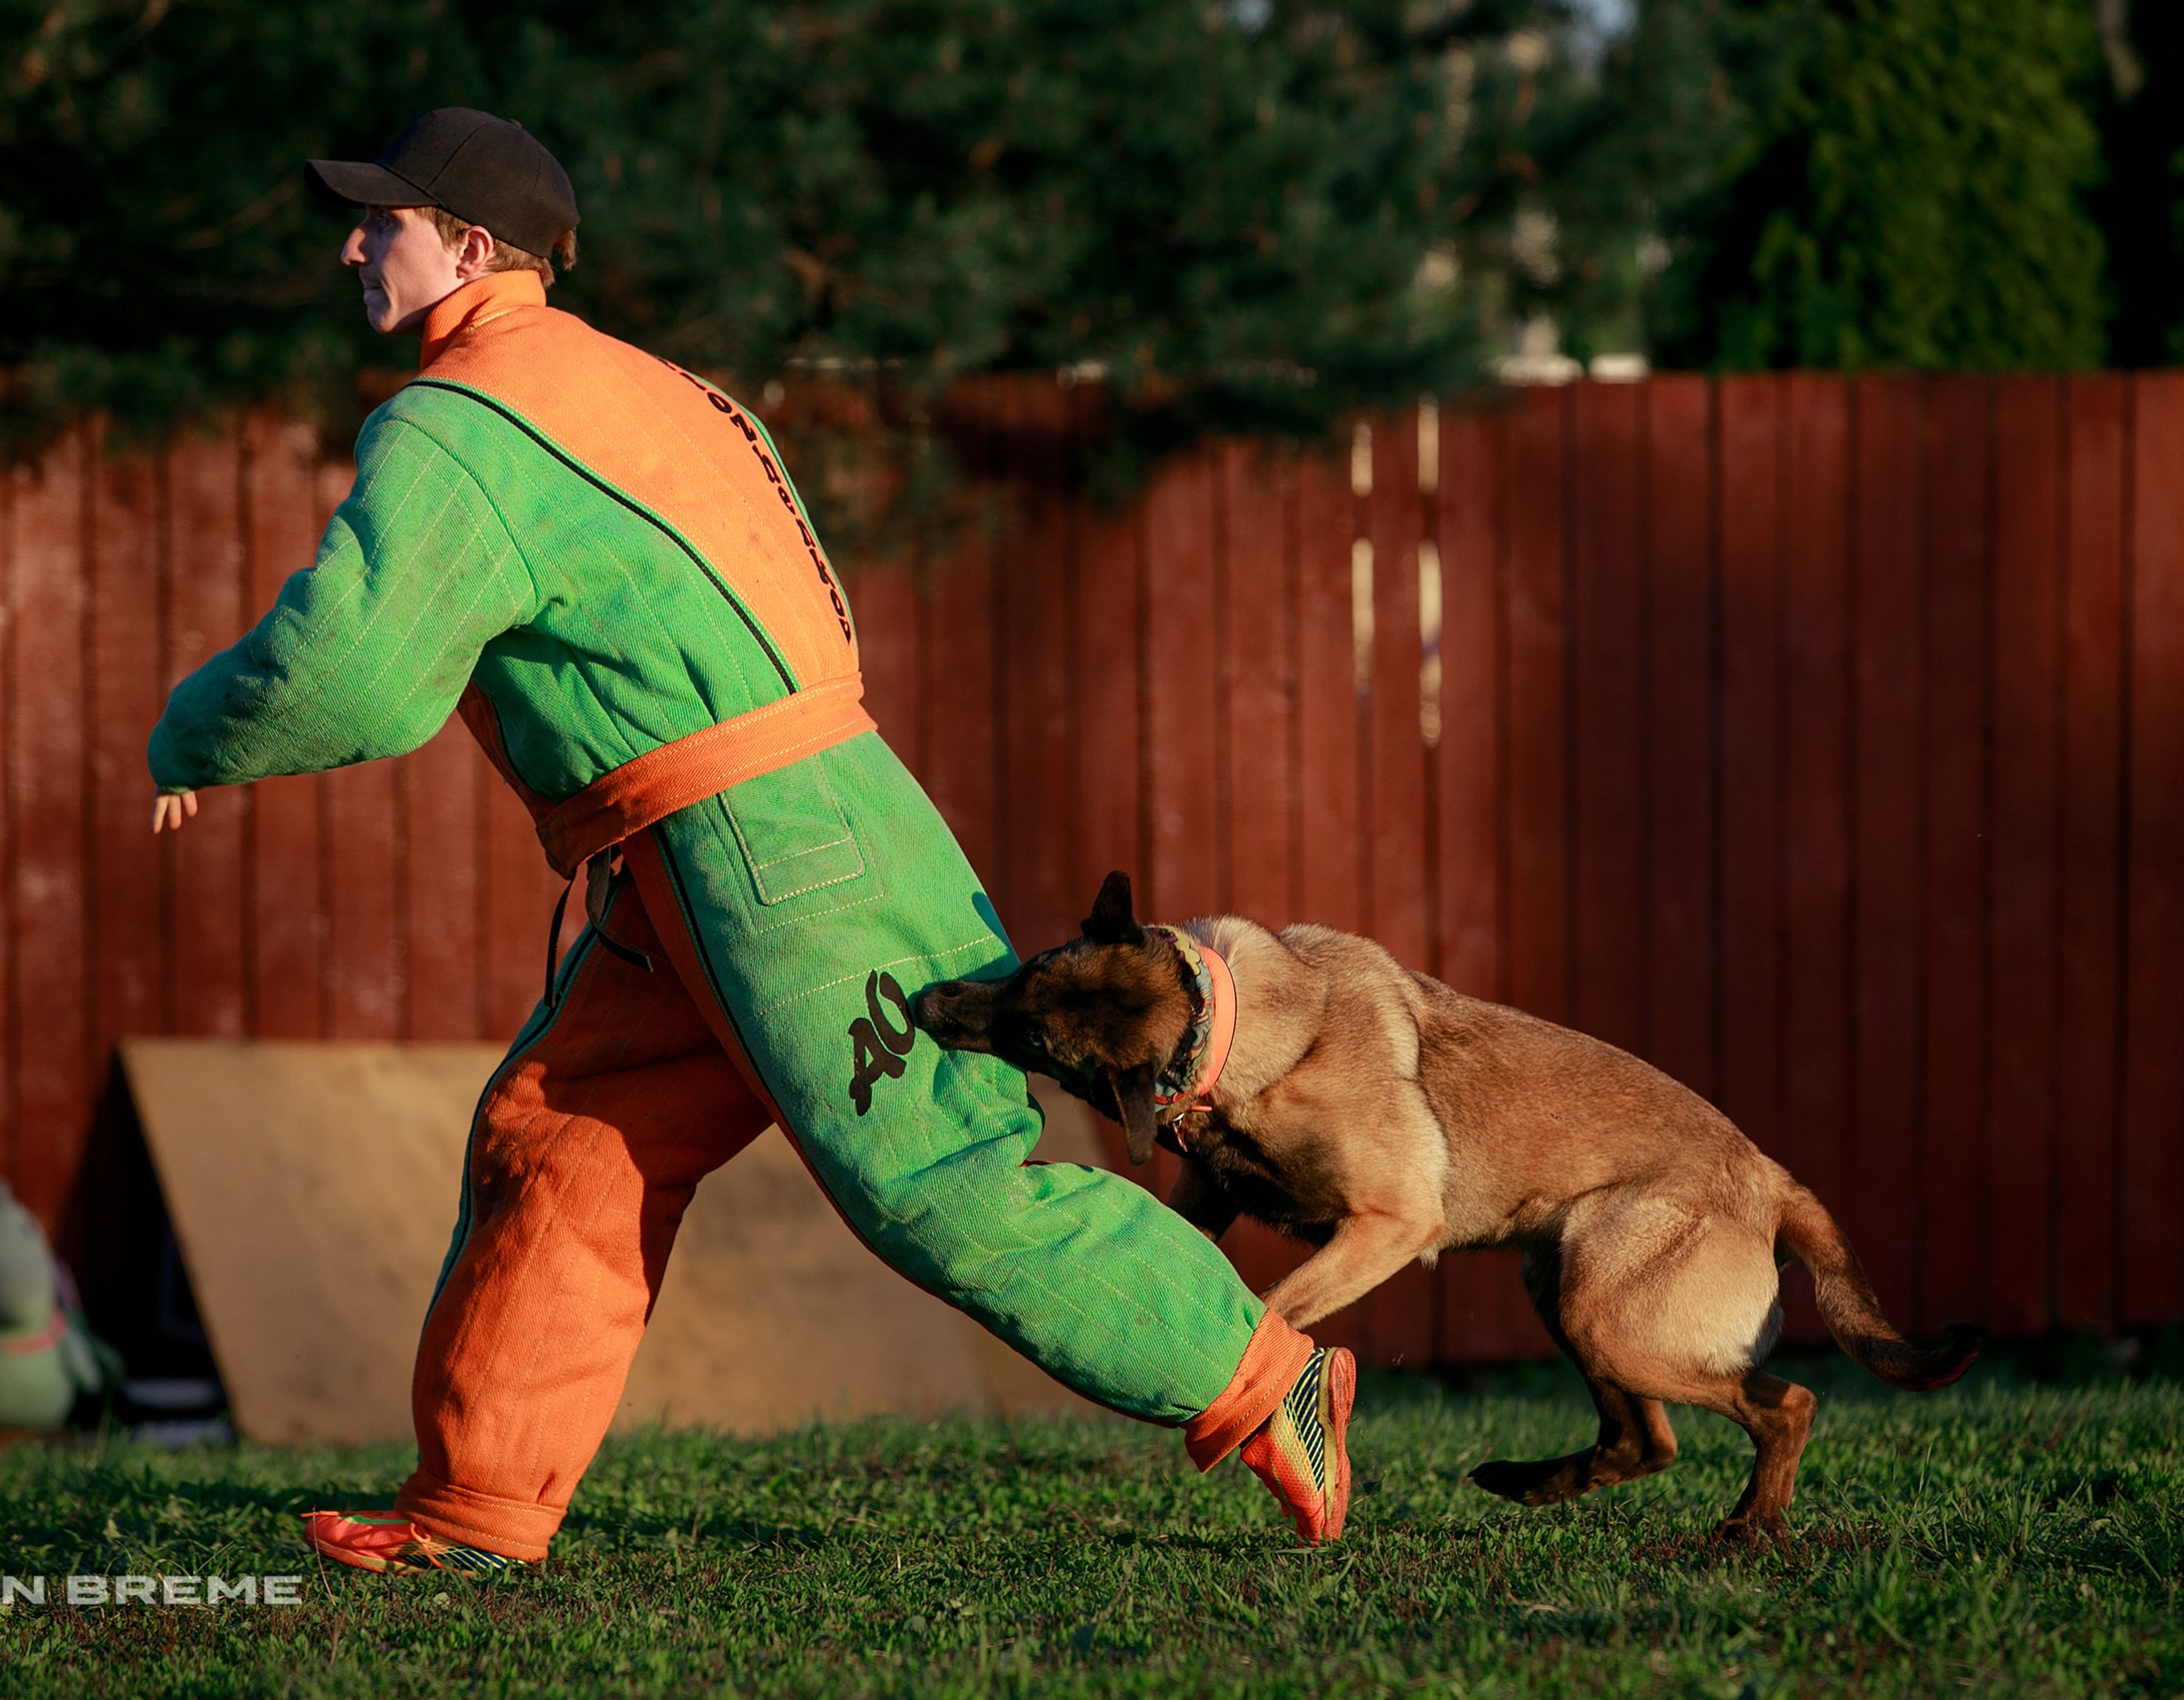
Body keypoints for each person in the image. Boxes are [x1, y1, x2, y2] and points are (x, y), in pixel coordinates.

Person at [146, 108, 1353, 1572]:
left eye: (379, 221)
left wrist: (194, 734)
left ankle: (1264, 1373)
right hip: (786, 822)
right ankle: (474, 1510)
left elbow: (351, 669)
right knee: (572, 1139)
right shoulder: (671, 391)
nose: (352, 243)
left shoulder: (461, 422)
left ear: (469, 248)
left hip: (764, 859)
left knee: (945, 1184)